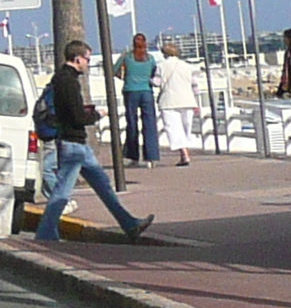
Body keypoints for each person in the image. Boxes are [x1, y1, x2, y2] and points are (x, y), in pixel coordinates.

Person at [35, 39, 155, 244]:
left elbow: (69, 111)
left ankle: (130, 224)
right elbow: (76, 117)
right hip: (73, 144)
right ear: (77, 58)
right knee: (62, 192)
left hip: (77, 144)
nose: (88, 64)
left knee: (103, 186)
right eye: (87, 59)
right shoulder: (68, 81)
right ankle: (45, 234)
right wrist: (97, 115)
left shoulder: (60, 79)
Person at [155, 38, 201, 165]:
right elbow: (195, 86)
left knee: (174, 129)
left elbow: (156, 82)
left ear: (164, 53)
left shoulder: (161, 66)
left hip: (169, 101)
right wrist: (197, 103)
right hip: (187, 100)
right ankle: (184, 153)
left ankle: (184, 154)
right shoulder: (187, 66)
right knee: (186, 127)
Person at [120, 35, 163, 166]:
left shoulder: (127, 57)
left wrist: (126, 78)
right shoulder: (150, 59)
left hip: (130, 91)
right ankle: (151, 157)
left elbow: (114, 70)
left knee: (132, 123)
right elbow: (154, 73)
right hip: (146, 91)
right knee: (149, 124)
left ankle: (133, 156)